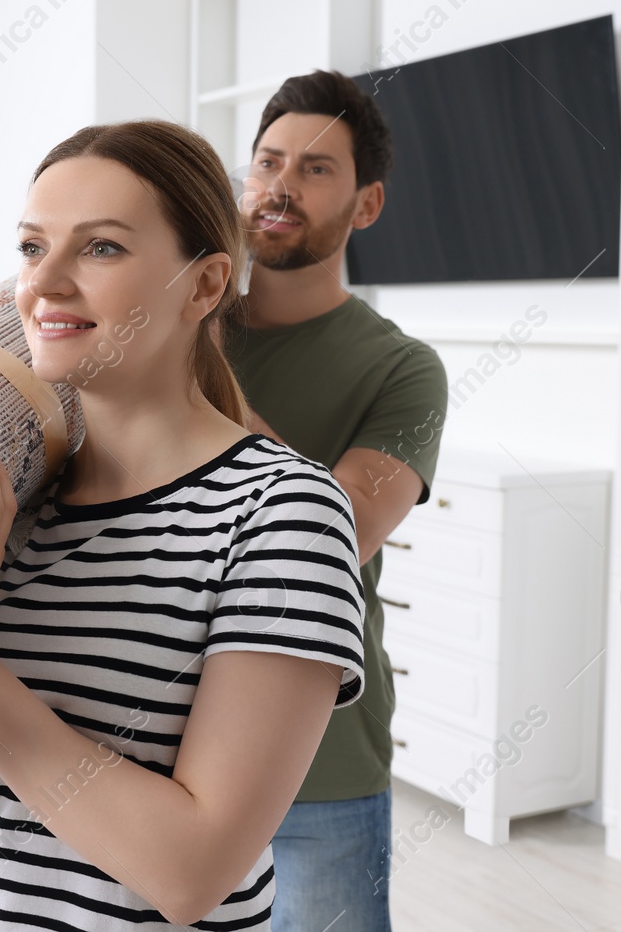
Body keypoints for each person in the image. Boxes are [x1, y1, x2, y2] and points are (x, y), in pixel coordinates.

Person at [0, 118, 367, 930]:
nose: (45, 282)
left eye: (99, 248)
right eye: (32, 247)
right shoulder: (2, 510)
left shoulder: (281, 512)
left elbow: (190, 871)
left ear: (204, 287)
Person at [216, 70, 449, 932]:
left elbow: (331, 532)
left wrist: (194, 376)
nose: (279, 185)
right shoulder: (169, 328)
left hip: (321, 764)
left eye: (315, 169)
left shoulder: (404, 368)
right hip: (152, 741)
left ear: (367, 204)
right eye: (267, 162)